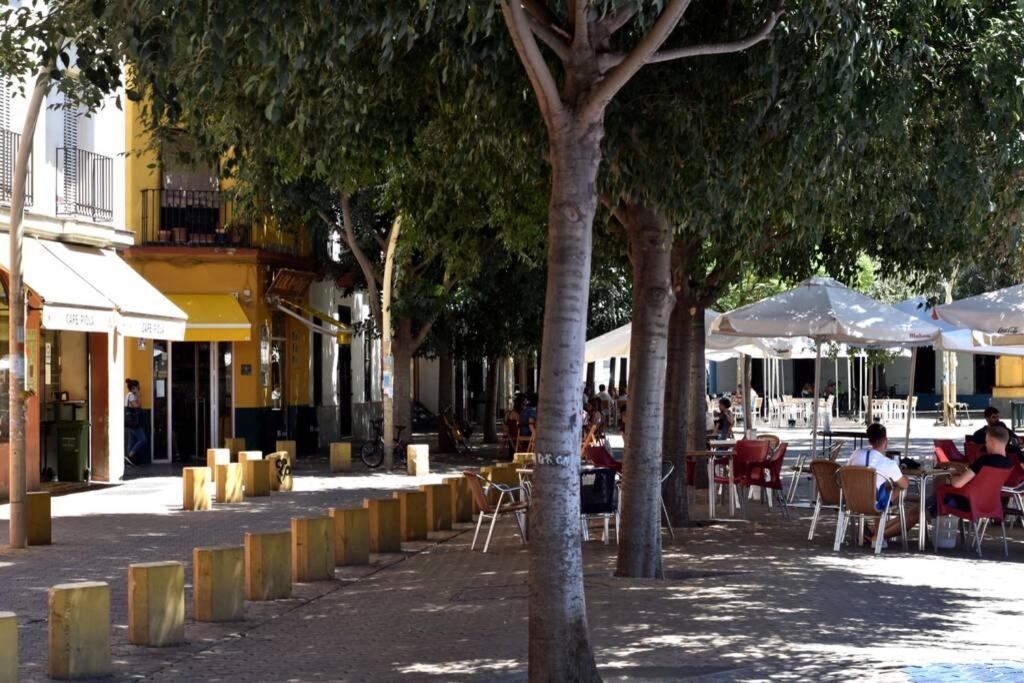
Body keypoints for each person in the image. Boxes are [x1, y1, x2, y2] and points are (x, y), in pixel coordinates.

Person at [845, 423, 916, 541]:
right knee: (896, 487)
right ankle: (877, 536)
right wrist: (903, 479)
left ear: (869, 439)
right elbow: (904, 484)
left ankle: (875, 532)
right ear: (885, 440)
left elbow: (846, 471)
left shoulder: (856, 454)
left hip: (852, 501)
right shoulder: (888, 463)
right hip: (874, 504)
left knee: (881, 488)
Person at [124, 379, 147, 465]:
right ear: (133, 388)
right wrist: (138, 396)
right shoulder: (131, 396)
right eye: (137, 387)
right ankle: (130, 455)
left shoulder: (127, 395)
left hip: (129, 422)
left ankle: (129, 461)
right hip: (134, 422)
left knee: (132, 440)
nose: (138, 389)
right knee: (143, 439)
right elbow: (137, 406)